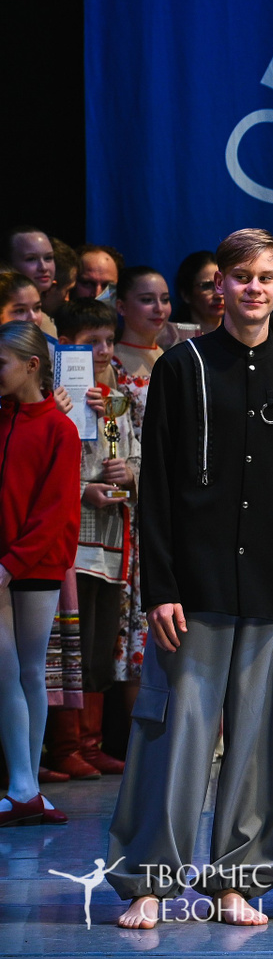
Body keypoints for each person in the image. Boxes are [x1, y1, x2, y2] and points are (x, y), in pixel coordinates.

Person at [105, 230, 273, 928]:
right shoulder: (183, 367)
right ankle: (151, 878)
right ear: (220, 288)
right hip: (193, 589)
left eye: (265, 277)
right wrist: (160, 588)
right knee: (173, 734)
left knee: (262, 745)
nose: (253, 288)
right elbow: (157, 489)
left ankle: (239, 880)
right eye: (240, 277)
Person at [0, 320, 81, 827]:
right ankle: (23, 788)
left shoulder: (59, 428)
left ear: (32, 366)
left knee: (29, 671)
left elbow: (55, 512)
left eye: (1, 364)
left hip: (34, 564)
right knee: (6, 670)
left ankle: (25, 786)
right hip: (4, 563)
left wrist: (11, 564)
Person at [56, 300, 138, 782]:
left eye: (109, 340)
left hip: (110, 543)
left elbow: (130, 455)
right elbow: (48, 464)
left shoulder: (115, 401)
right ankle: (65, 745)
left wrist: (127, 473)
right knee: (73, 644)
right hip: (73, 544)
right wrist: (82, 489)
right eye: (93, 343)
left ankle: (91, 743)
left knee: (100, 645)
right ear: (67, 347)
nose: (104, 350)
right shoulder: (58, 400)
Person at [112, 268, 173, 427]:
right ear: (121, 307)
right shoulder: (109, 363)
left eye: (165, 299)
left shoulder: (171, 357)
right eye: (147, 300)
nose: (159, 308)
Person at [4, 228, 57, 338]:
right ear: (10, 263)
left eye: (48, 258)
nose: (43, 267)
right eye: (31, 259)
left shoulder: (45, 321)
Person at [173, 251, 224, 337]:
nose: (219, 296)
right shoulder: (172, 340)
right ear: (186, 295)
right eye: (207, 286)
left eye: (221, 284)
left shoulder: (240, 336)